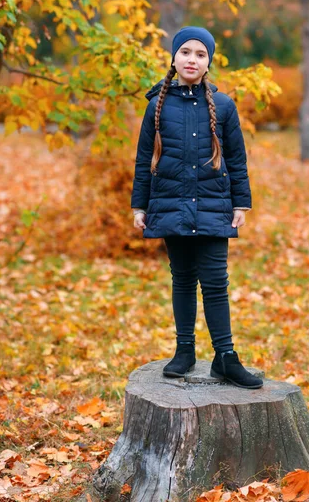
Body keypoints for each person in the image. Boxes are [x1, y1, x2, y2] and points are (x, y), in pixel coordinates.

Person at [131, 26, 263, 389]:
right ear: (174, 58)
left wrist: (241, 203)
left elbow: (237, 158)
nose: (192, 59)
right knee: (183, 280)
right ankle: (184, 351)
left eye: (200, 54)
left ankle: (225, 356)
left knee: (216, 283)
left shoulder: (223, 106)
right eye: (186, 52)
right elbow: (145, 159)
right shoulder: (157, 105)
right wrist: (139, 206)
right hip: (171, 205)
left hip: (213, 206)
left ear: (209, 62)